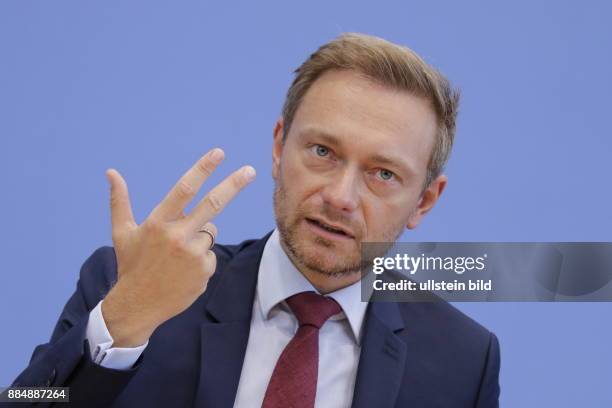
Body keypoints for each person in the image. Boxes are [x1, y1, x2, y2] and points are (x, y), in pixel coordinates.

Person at [8, 33, 500, 407]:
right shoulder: (132, 282)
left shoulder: (463, 360)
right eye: (323, 151)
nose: (340, 196)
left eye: (384, 173)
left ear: (424, 201)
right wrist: (123, 322)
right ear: (278, 146)